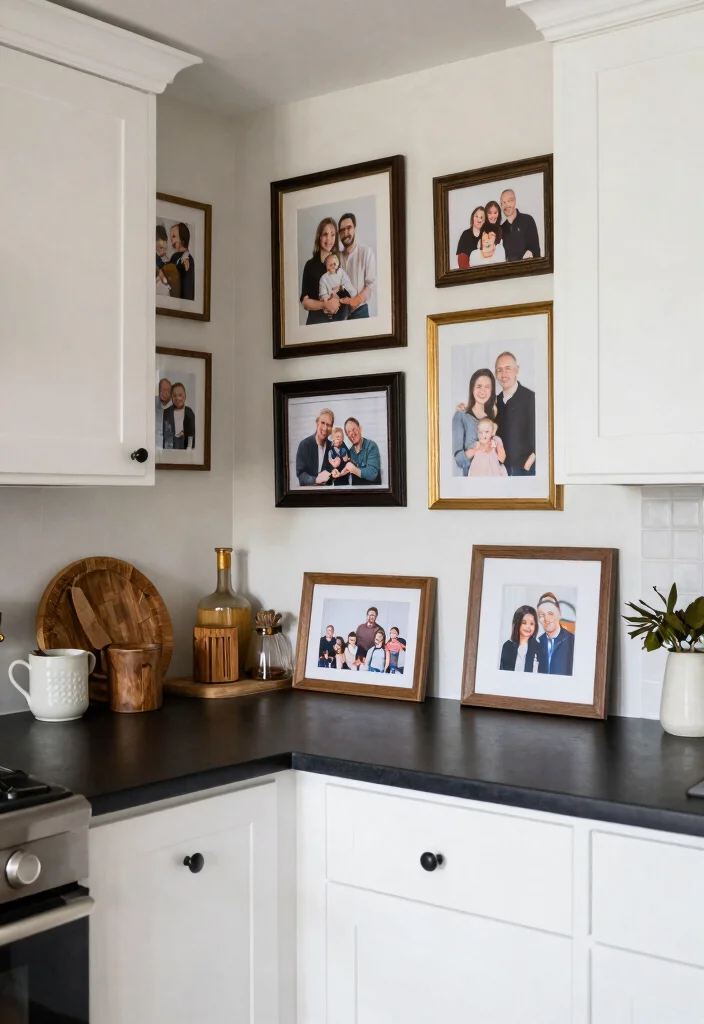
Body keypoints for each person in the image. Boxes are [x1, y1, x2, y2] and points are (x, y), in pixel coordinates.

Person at [495, 351, 536, 476]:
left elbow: (545, 435)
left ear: (517, 370)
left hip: (526, 472)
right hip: (500, 473)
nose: (504, 374)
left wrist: (529, 463)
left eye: (508, 369)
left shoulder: (531, 398)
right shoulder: (494, 403)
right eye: (499, 370)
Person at [452, 368, 498, 476]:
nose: (483, 391)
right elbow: (459, 459)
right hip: (472, 483)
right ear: (472, 389)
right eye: (479, 386)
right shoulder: (461, 416)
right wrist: (477, 449)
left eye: (487, 387)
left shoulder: (495, 417)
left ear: (491, 391)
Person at [300, 218, 342, 325]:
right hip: (315, 323)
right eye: (325, 234)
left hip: (337, 324)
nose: (329, 239)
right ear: (319, 236)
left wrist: (337, 300)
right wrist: (324, 305)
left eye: (332, 234)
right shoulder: (310, 265)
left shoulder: (340, 262)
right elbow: (305, 302)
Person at [338, 213, 376, 320]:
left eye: (348, 228)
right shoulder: (336, 258)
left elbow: (370, 285)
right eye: (342, 230)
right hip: (340, 315)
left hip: (360, 313)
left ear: (354, 228)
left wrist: (354, 301)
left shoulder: (366, 252)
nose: (345, 233)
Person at [536, 594, 575, 676]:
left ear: (559, 614)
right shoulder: (538, 643)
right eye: (541, 615)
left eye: (550, 613)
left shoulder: (572, 641)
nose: (546, 619)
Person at [295, 408, 334, 486]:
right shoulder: (304, 445)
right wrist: (316, 480)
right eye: (322, 423)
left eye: (328, 425)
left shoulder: (333, 447)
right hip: (308, 495)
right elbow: (301, 475)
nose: (325, 428)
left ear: (331, 428)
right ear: (317, 423)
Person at [500, 189, 541, 262]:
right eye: (503, 202)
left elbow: (536, 250)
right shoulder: (501, 229)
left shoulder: (528, 220)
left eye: (509, 201)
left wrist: (530, 254)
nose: (506, 205)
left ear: (515, 201)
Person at [339, 417, 381, 486]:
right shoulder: (349, 452)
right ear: (347, 436)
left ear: (360, 429)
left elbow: (372, 474)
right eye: (349, 432)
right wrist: (338, 474)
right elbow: (345, 471)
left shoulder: (371, 446)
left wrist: (354, 470)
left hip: (373, 493)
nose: (352, 433)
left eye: (354, 429)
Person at [318, 251, 357, 322]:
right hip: (332, 302)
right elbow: (323, 295)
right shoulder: (324, 278)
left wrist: (342, 289)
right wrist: (329, 297)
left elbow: (348, 284)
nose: (333, 266)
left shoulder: (341, 272)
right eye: (330, 264)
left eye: (335, 263)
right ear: (326, 266)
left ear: (338, 264)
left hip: (344, 298)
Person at [500, 605, 540, 672]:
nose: (528, 627)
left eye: (532, 624)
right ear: (517, 623)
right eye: (524, 623)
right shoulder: (507, 646)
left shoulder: (539, 648)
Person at [163, 382, 195, 450]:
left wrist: (189, 447)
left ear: (185, 395)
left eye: (180, 395)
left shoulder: (189, 412)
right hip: (170, 447)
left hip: (184, 446)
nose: (177, 398)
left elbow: (191, 434)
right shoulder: (167, 413)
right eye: (174, 396)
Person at [169, 222, 195, 300]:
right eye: (171, 237)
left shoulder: (188, 259)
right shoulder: (175, 256)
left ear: (183, 238)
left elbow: (188, 287)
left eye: (174, 236)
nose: (171, 241)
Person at [155, 377, 173, 449]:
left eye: (167, 390)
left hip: (169, 448)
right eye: (162, 390)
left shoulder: (176, 408)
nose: (164, 393)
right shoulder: (153, 403)